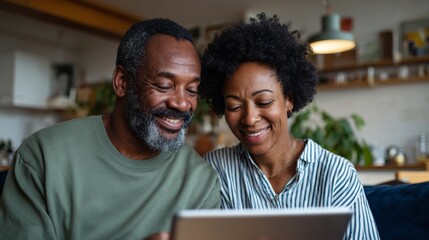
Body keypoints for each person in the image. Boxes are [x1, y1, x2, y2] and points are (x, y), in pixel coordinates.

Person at [0, 18, 221, 240]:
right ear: (122, 82)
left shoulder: (200, 181)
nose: (182, 104)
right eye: (164, 86)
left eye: (192, 90)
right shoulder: (42, 158)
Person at [199, 13, 380, 239]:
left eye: (264, 102)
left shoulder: (336, 175)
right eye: (234, 106)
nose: (249, 118)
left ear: (289, 99)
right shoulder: (216, 171)